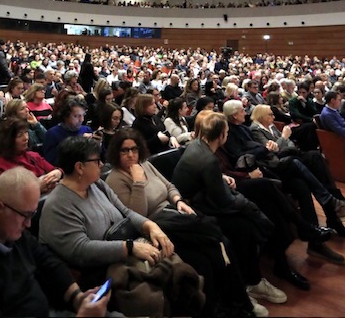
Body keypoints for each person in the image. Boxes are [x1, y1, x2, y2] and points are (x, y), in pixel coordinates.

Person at [39, 137, 204, 317]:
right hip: (97, 273)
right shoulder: (58, 205)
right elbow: (80, 250)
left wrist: (150, 226)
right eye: (96, 161)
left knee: (180, 272)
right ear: (80, 167)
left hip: (124, 254)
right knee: (152, 294)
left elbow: (125, 212)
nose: (102, 164)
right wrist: (129, 248)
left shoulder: (96, 185)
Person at [105, 127, 255, 317]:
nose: (130, 155)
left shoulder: (145, 164)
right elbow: (137, 216)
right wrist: (138, 183)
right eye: (124, 150)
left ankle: (237, 302)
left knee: (222, 242)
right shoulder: (115, 179)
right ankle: (218, 307)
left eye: (134, 149)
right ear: (115, 152)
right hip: (155, 229)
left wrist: (178, 201)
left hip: (174, 214)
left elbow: (169, 186)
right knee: (204, 258)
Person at [0, 167, 110, 317]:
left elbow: (48, 263)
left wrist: (78, 298)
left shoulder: (13, 232)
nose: (28, 224)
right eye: (25, 215)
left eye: (32, 215)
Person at [171, 112, 287, 316]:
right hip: (194, 211)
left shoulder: (197, 145)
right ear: (221, 136)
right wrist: (249, 206)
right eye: (226, 132)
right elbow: (223, 201)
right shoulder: (209, 159)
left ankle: (253, 279)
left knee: (248, 218)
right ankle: (251, 283)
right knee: (245, 225)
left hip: (199, 201)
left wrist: (222, 177)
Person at [224, 100, 345, 250]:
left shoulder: (246, 128)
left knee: (309, 169)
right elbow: (259, 153)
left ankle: (323, 225)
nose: (245, 113)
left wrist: (277, 145)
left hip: (281, 159)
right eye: (242, 111)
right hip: (271, 167)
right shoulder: (250, 130)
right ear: (234, 115)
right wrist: (276, 144)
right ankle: (331, 207)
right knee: (302, 162)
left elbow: (282, 145)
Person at [0, 118, 62, 193]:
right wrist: (35, 187)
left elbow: (54, 170)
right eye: (19, 135)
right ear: (7, 140)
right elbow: (0, 191)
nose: (26, 138)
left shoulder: (33, 156)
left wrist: (58, 173)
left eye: (26, 132)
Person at [43, 99, 93, 165]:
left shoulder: (87, 130)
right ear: (65, 116)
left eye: (83, 115)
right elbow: (52, 161)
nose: (81, 120)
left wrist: (97, 145)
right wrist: (78, 144)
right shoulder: (52, 134)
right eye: (76, 116)